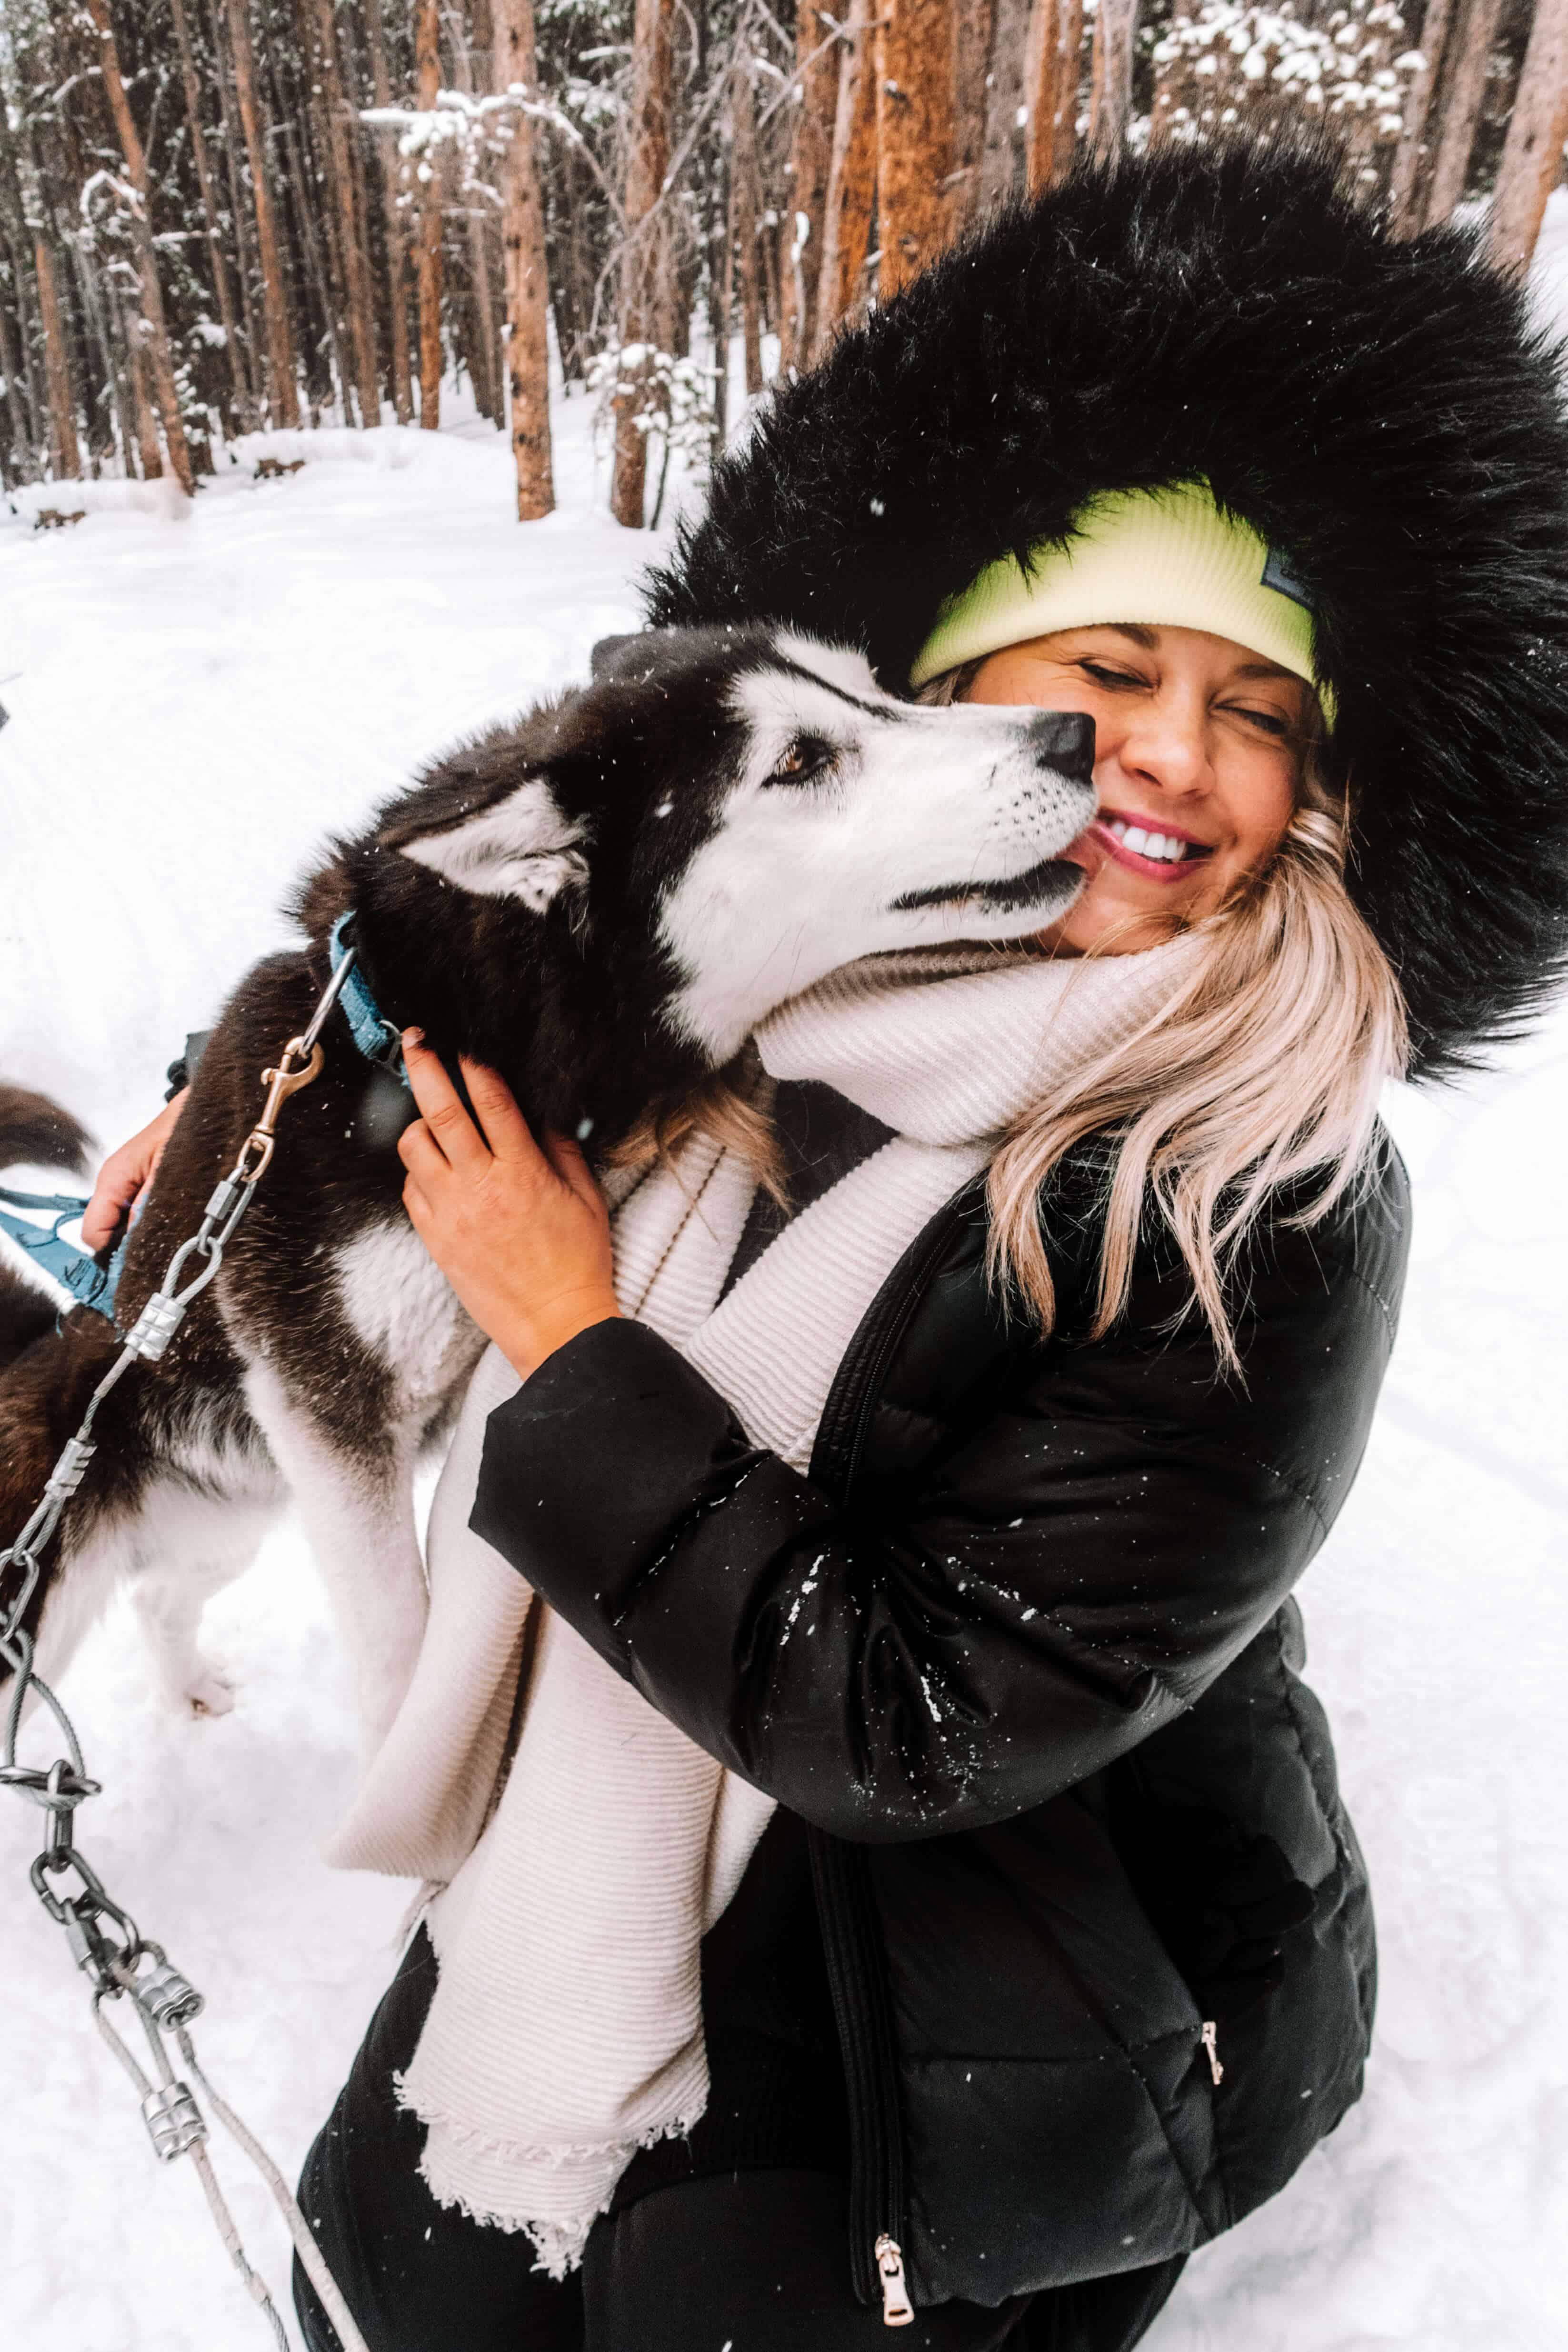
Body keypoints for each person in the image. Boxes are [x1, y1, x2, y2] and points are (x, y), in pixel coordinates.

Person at [87, 139, 1568, 2350]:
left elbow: (921, 1719)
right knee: (381, 2288)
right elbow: (461, 956)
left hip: (1011, 1973)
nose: (1163, 754)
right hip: (631, 1825)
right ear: (962, 696)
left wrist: (577, 1345)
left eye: (1255, 709)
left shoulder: (1264, 1186)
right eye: (1105, 663)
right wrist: (227, 1118)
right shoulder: (774, 978)